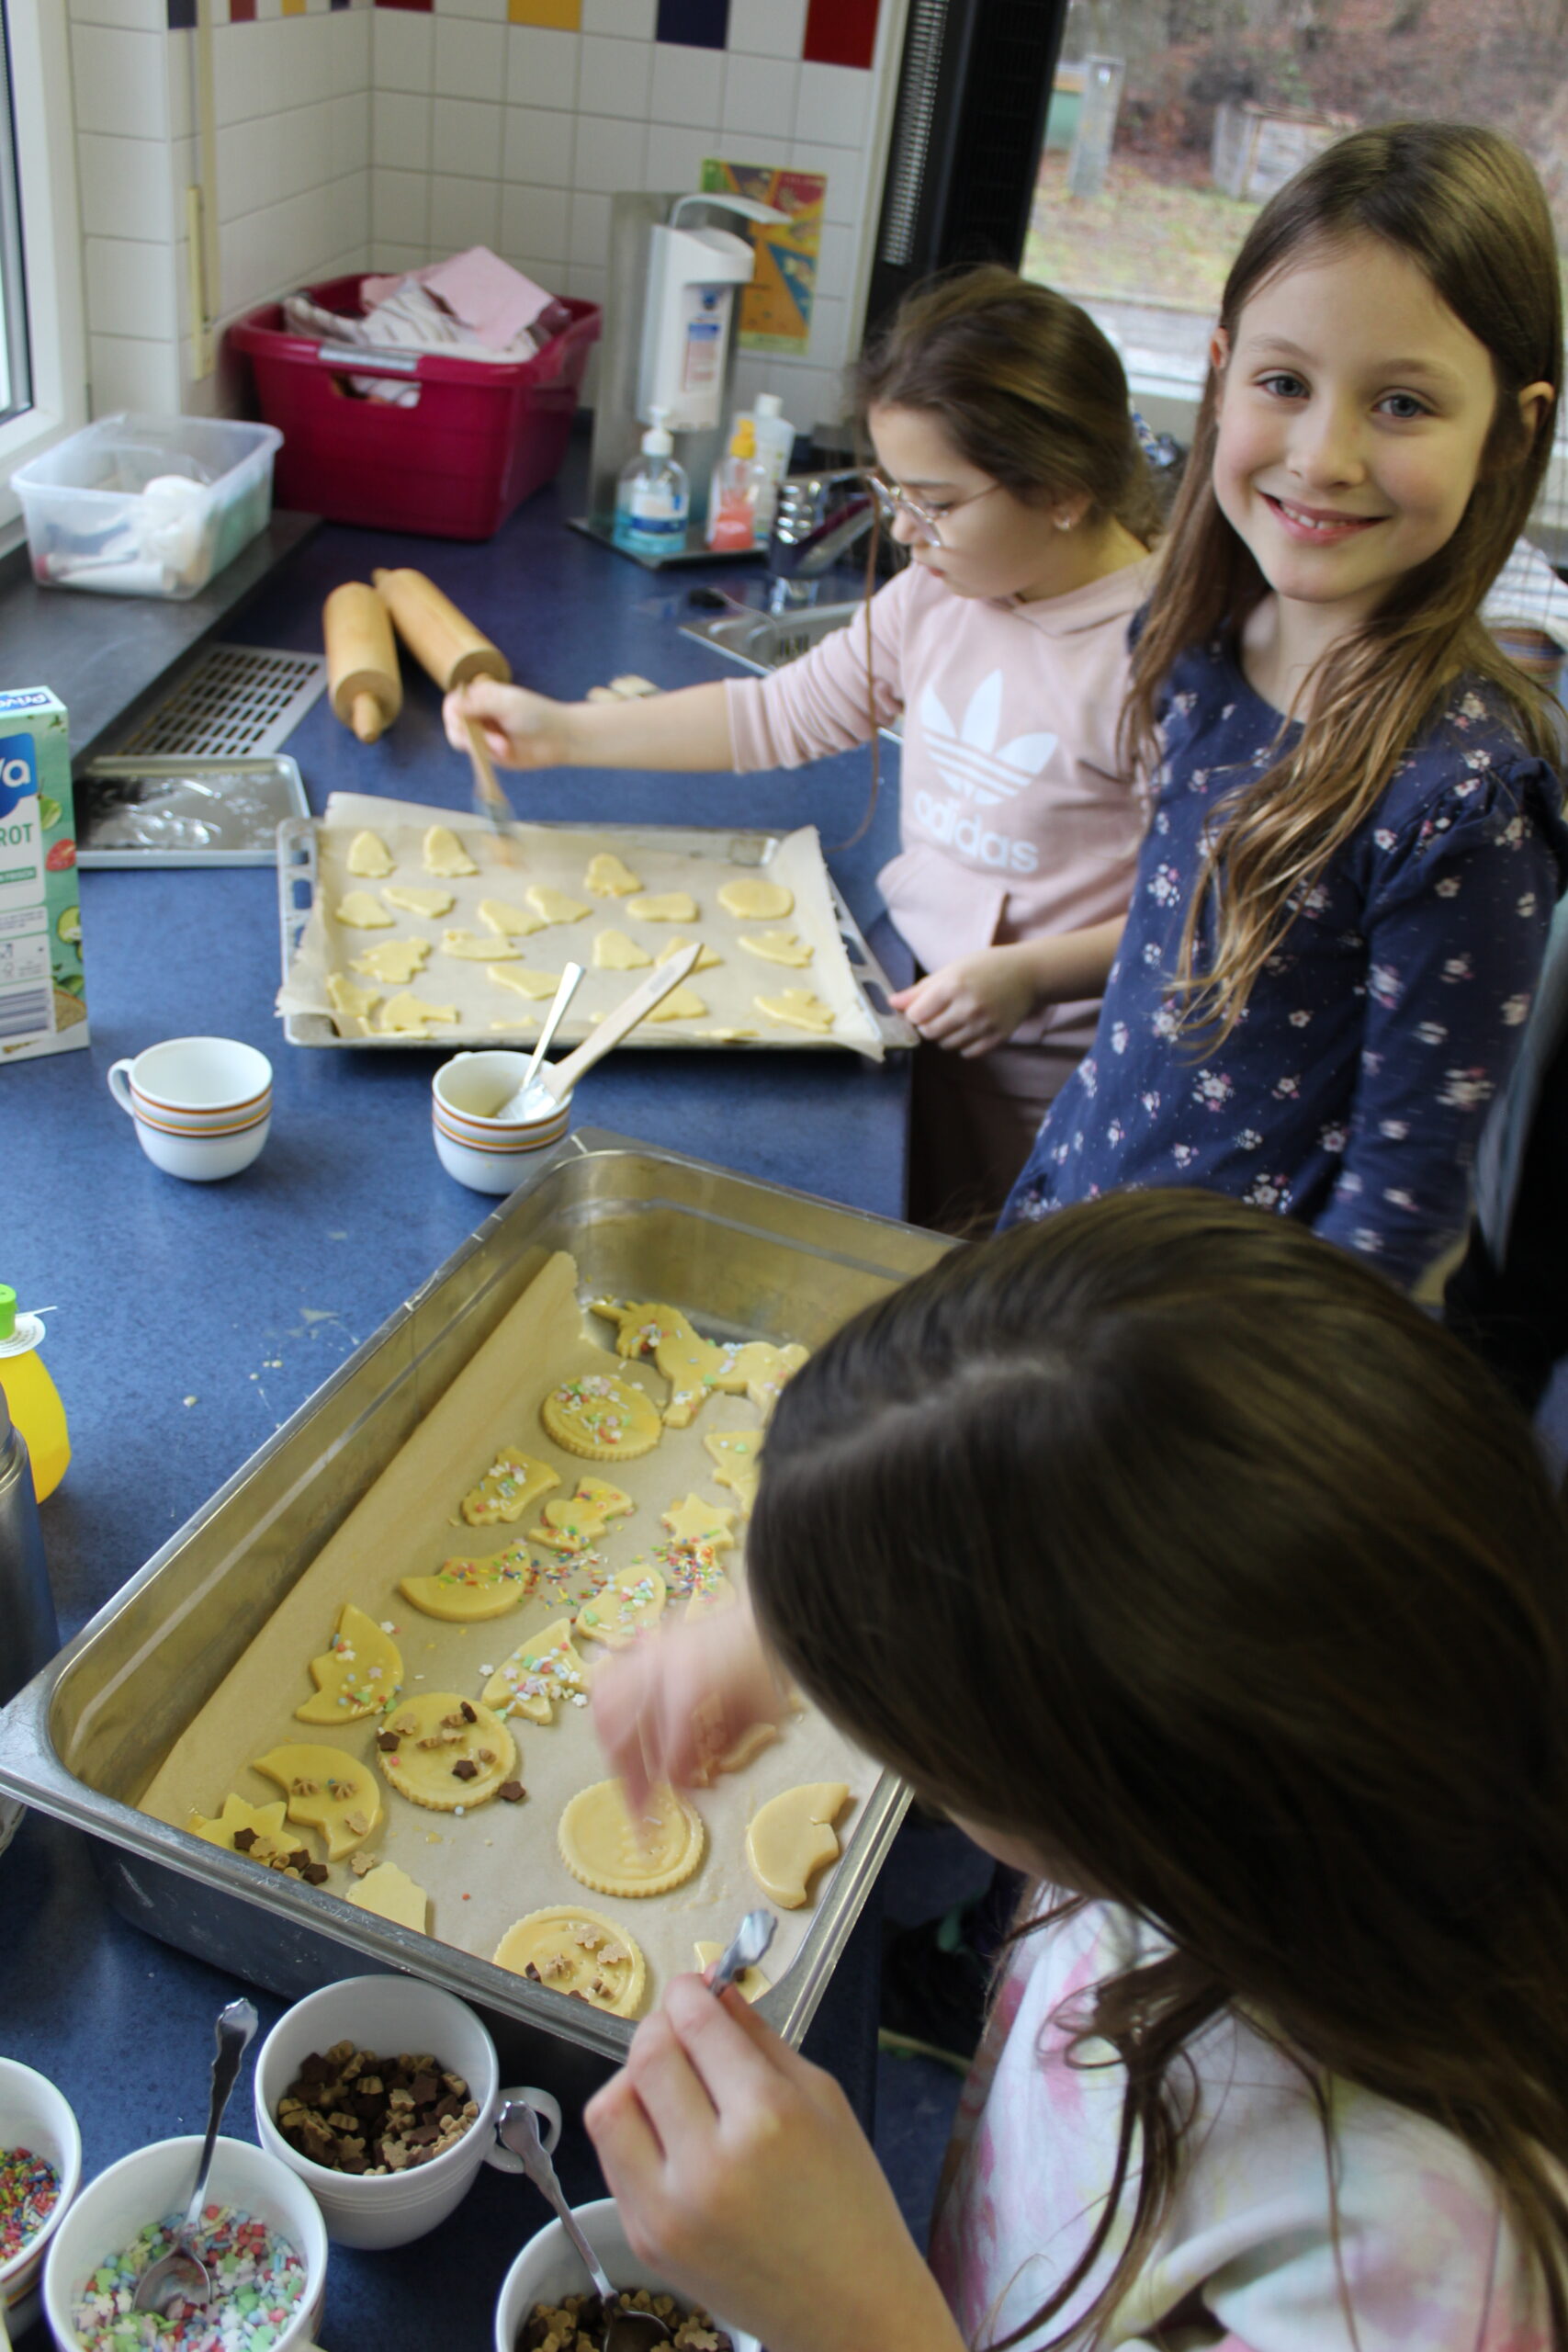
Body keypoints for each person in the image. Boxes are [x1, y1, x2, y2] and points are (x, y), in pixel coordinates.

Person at [586, 1192, 1568, 2352]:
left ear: (1116, 1790)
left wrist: (857, 2325)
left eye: (931, 1763)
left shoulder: (1413, 2279)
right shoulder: (1313, 1774)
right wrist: (787, 1620)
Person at [446, 266, 1159, 1227]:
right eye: (891, 491)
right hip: (916, 1017)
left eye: (935, 501)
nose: (904, 530)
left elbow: (1206, 911)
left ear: (1064, 489)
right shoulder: (941, 593)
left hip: (1053, 1078)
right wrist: (565, 730)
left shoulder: (1162, 659)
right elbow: (776, 715)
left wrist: (1033, 973)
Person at [1000, 121, 1568, 1288]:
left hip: (1228, 1346)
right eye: (1284, 383)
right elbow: (1175, 973)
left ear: (1511, 432)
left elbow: (1398, 1216)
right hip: (1078, 1236)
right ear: (1220, 369)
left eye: (1403, 404)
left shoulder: (1463, 800)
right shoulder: (1200, 639)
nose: (1322, 456)